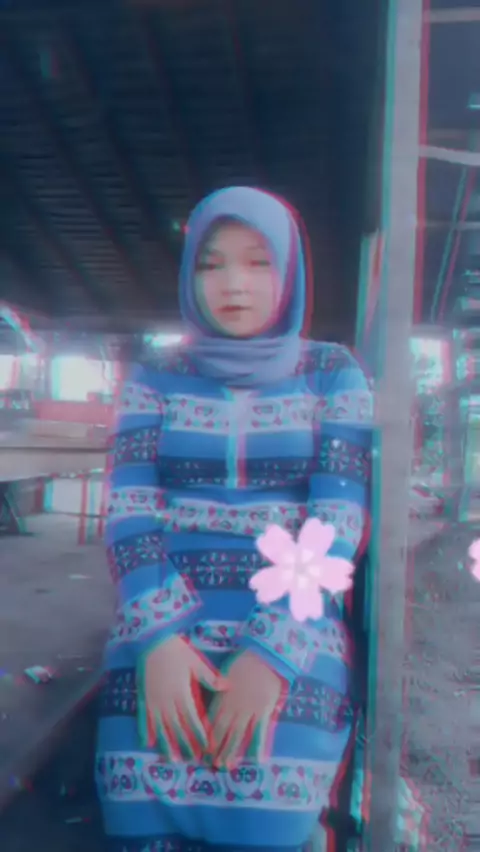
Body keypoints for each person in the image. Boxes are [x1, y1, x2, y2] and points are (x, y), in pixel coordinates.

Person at [96, 186, 372, 851]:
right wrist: (159, 641)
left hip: (293, 612)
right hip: (166, 608)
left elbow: (337, 519)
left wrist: (271, 655)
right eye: (212, 263)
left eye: (257, 261)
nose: (234, 284)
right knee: (138, 756)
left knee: (275, 776)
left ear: (290, 270)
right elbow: (129, 510)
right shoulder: (155, 376)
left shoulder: (332, 373)